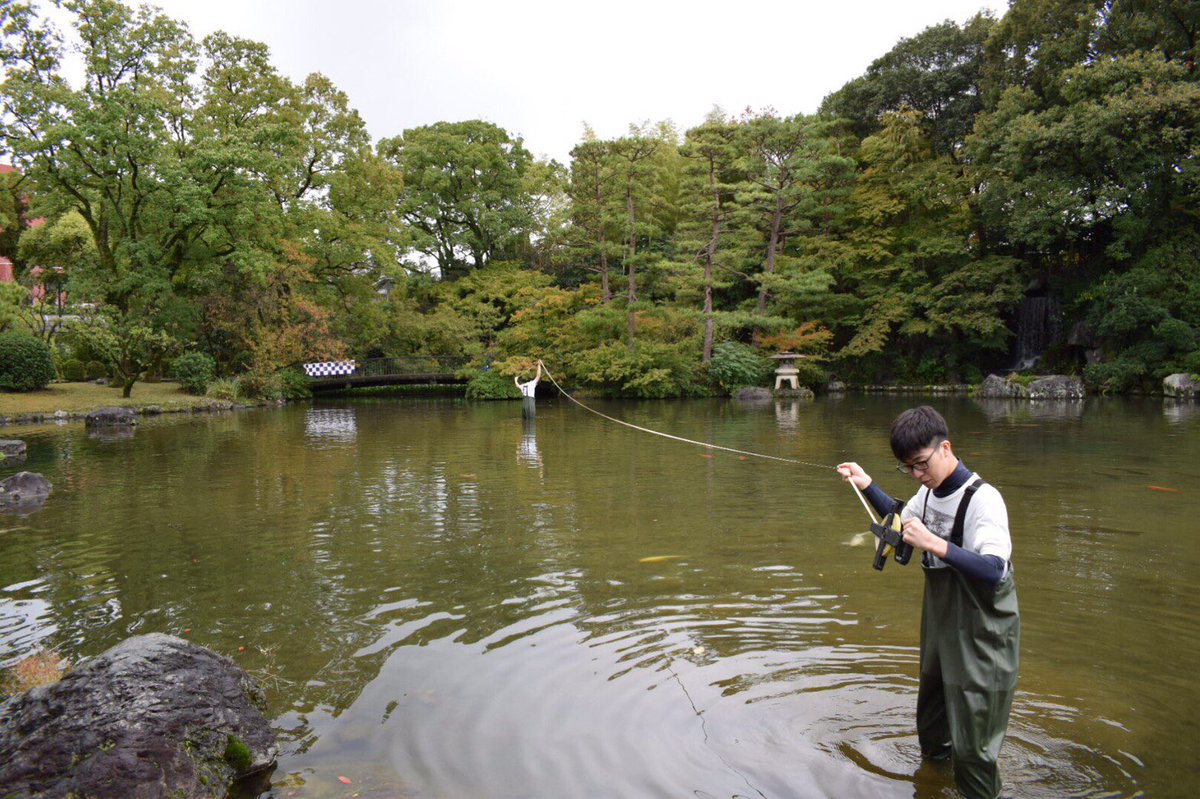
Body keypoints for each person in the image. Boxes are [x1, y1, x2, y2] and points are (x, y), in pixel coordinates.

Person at [837, 406, 1019, 799]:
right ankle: (933, 786)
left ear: (945, 448)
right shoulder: (928, 493)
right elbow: (902, 522)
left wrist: (935, 543)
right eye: (908, 468)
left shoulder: (984, 500)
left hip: (983, 629)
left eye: (921, 464)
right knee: (933, 728)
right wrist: (867, 485)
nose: (918, 475)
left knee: (974, 749)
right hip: (940, 621)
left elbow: (995, 570)